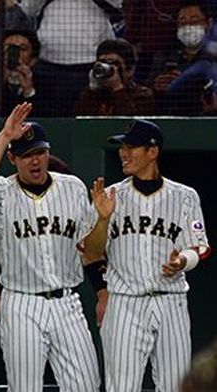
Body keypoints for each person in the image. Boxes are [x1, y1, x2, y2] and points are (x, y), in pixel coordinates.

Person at [0, 103, 115, 392]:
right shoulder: (1, 191)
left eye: (40, 152)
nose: (35, 161)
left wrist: (101, 221)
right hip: (22, 303)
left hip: (67, 302)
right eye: (26, 155)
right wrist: (4, 135)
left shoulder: (72, 187)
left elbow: (92, 249)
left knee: (86, 385)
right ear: (12, 158)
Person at [100, 119, 211, 392]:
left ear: (153, 151)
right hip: (125, 303)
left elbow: (201, 247)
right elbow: (89, 252)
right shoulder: (110, 197)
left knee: (177, 386)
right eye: (122, 146)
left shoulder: (185, 196)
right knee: (121, 388)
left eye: (131, 146)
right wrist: (102, 220)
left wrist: (183, 260)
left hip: (170, 301)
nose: (123, 152)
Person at [21, 0, 122, 117]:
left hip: (91, 64)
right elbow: (27, 9)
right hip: (49, 64)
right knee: (50, 118)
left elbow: (117, 4)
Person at [74, 38, 156, 116]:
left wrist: (117, 88)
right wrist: (91, 90)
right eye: (102, 63)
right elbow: (78, 123)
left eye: (114, 63)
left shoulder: (143, 95)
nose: (107, 68)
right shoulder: (93, 95)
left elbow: (131, 124)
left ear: (130, 70)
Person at [0, 29, 42, 117]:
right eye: (9, 47)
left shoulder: (46, 85)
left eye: (22, 49)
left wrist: (28, 91)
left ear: (33, 60)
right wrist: (2, 84)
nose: (15, 53)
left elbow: (46, 119)